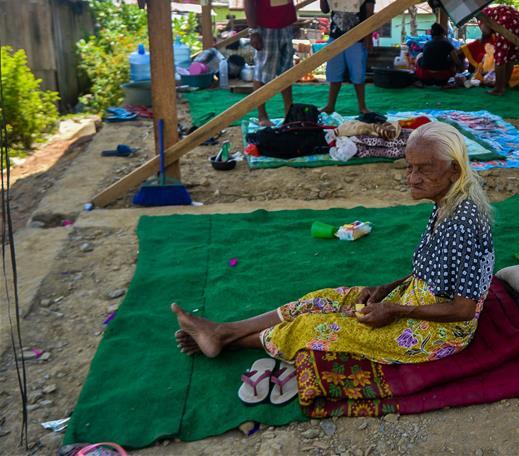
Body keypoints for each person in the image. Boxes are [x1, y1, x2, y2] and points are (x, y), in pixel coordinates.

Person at [171, 122, 495, 367]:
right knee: (324, 299)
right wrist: (387, 288)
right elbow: (436, 274)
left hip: (439, 332)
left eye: (424, 169)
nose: (412, 177)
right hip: (417, 299)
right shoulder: (449, 201)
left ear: (454, 169)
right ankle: (223, 331)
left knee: (317, 326)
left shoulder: (463, 221)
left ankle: (225, 339)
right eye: (410, 167)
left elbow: (462, 309)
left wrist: (396, 309)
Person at [242, 0, 314, 127]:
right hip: (266, 27)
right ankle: (262, 115)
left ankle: (288, 112)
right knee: (263, 72)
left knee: (285, 72)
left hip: (285, 25)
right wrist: (253, 31)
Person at [318, 0, 375, 114]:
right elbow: (326, 9)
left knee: (358, 74)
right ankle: (330, 105)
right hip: (335, 36)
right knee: (334, 72)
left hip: (357, 38)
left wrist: (368, 37)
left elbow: (369, 12)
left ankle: (362, 106)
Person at [478, 5, 519, 96]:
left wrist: (484, 37)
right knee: (510, 57)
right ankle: (504, 85)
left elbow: (486, 31)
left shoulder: (482, 15)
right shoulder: (493, 11)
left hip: (507, 21)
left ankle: (498, 89)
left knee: (500, 57)